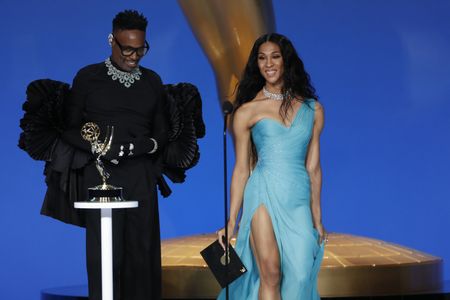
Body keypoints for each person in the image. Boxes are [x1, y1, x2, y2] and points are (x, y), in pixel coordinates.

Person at [61, 10, 168, 300]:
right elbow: (69, 130)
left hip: (141, 177)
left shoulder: (152, 82)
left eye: (141, 49)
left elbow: (162, 134)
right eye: (127, 49)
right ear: (111, 40)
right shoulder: (88, 77)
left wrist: (139, 147)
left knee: (142, 257)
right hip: (100, 179)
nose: (134, 56)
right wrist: (100, 148)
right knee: (106, 259)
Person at [217, 33, 326, 299]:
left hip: (297, 197)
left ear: (286, 61)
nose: (269, 64)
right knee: (271, 272)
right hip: (262, 194)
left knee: (301, 273)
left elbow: (313, 167)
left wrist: (317, 216)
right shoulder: (246, 112)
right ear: (256, 64)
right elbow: (242, 168)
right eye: (262, 58)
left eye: (275, 56)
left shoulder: (313, 109)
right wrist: (232, 221)